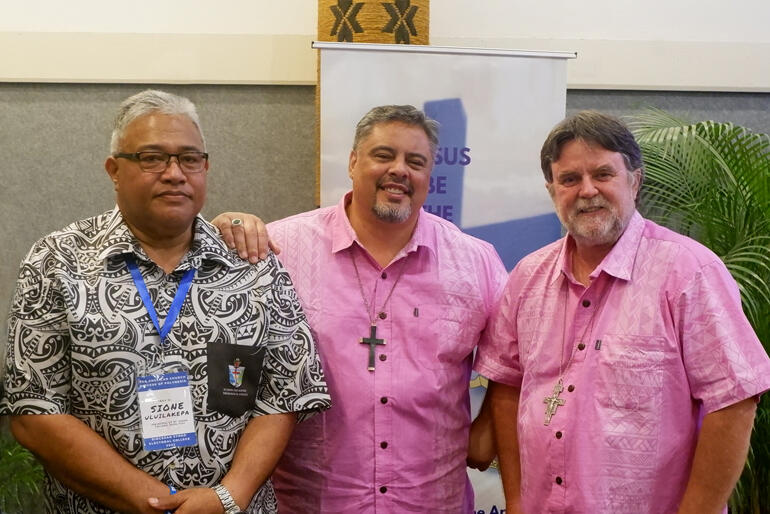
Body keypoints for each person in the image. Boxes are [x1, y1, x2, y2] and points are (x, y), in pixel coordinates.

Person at [0, 90, 330, 514]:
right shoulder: (56, 262)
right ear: (114, 170)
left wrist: (228, 496)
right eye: (152, 158)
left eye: (190, 158)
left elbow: (286, 395)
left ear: (205, 167)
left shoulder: (254, 266)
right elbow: (34, 409)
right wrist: (153, 502)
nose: (175, 173)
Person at [213, 105, 508, 512]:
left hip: (431, 502)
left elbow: (515, 360)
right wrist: (219, 232)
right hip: (312, 503)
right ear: (353, 162)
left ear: (429, 175)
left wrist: (486, 432)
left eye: (415, 161)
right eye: (384, 155)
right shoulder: (279, 250)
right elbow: (222, 351)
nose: (400, 170)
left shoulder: (475, 262)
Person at [474, 110, 770, 513]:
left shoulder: (689, 273)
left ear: (635, 180)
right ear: (552, 190)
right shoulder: (527, 277)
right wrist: (516, 499)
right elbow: (508, 388)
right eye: (570, 179)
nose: (587, 190)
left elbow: (733, 402)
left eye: (603, 174)